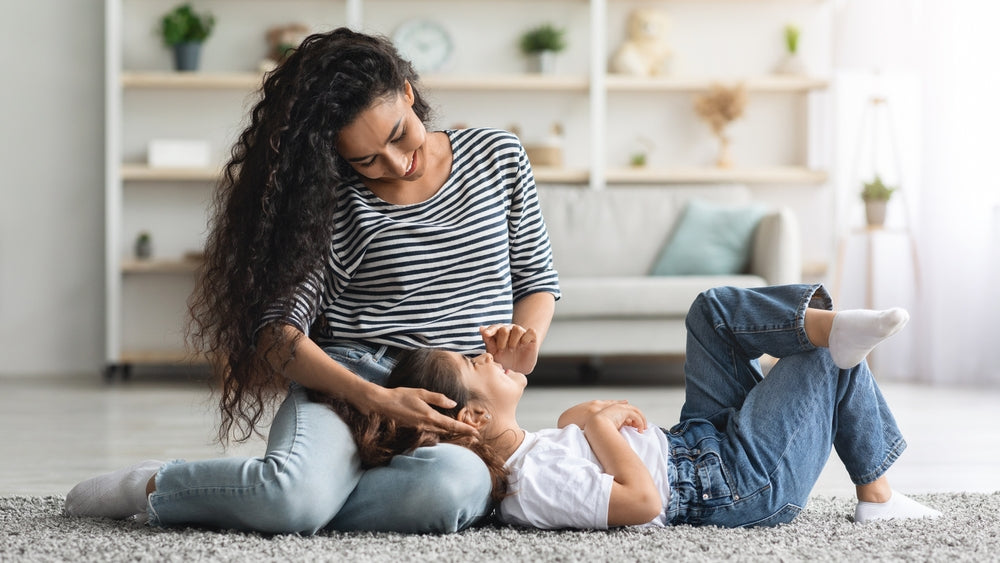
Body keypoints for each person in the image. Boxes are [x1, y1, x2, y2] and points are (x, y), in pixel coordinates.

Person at [64, 27, 559, 534]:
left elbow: (537, 280)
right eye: (364, 160)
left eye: (397, 136)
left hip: (456, 401)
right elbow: (277, 335)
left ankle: (306, 491)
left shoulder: (498, 157)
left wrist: (522, 350)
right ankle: (154, 485)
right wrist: (374, 398)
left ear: (407, 94)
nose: (394, 165)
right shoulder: (327, 199)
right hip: (352, 384)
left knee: (447, 492)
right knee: (290, 502)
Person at [354, 284, 942, 529]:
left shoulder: (523, 455)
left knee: (708, 310)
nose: (494, 356)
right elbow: (642, 501)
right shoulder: (530, 488)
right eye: (479, 366)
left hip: (696, 442)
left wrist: (582, 419)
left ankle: (828, 326)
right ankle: (878, 497)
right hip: (735, 486)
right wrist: (602, 425)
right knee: (818, 361)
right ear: (475, 417)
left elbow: (570, 435)